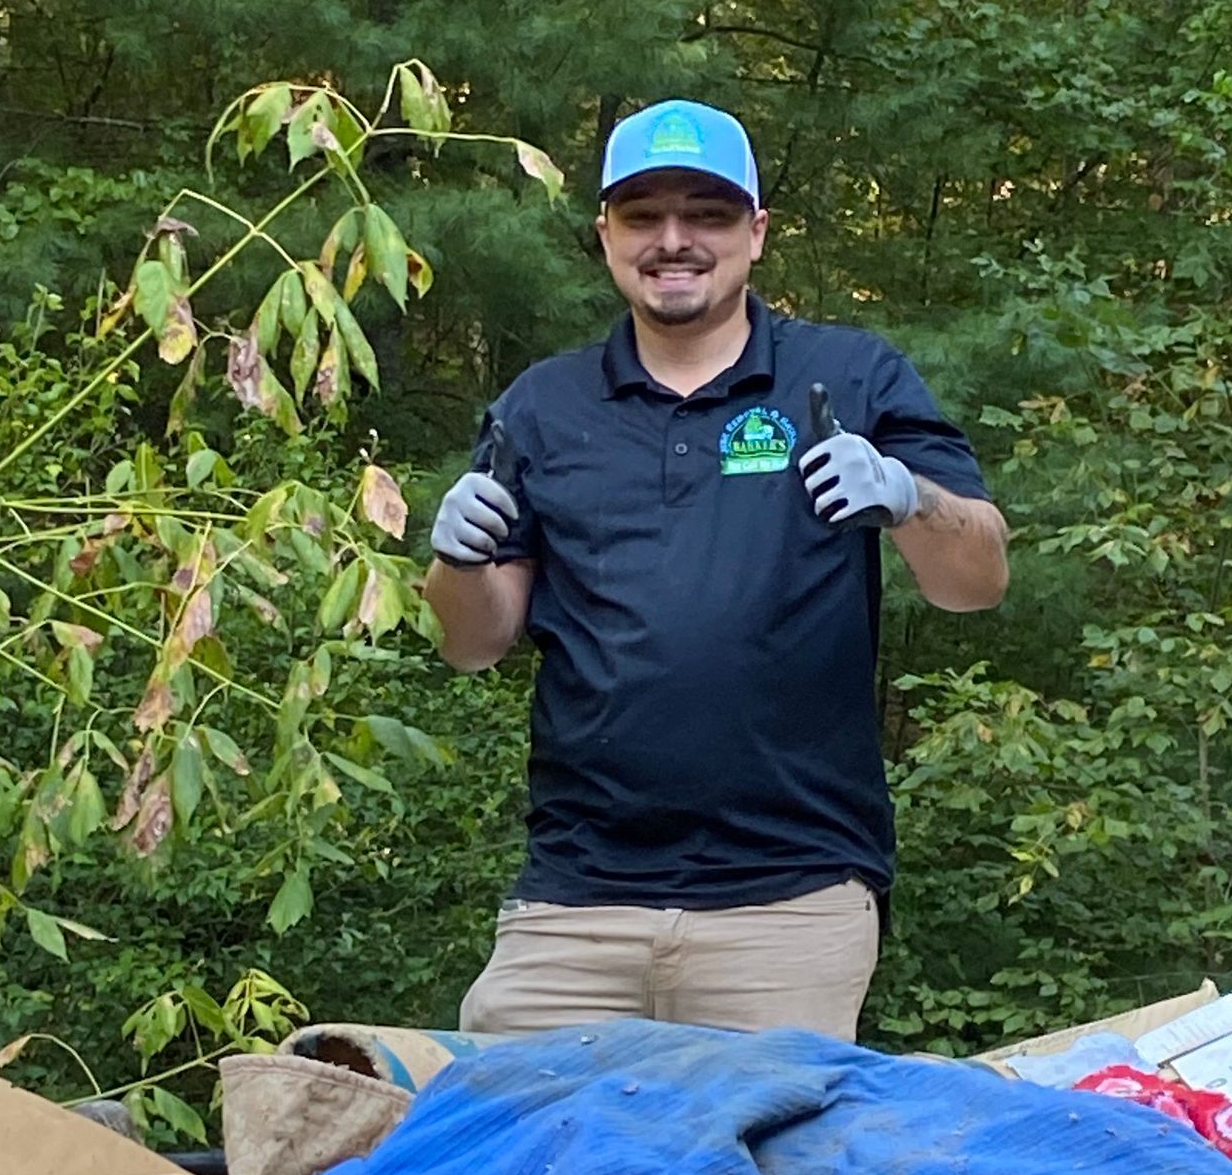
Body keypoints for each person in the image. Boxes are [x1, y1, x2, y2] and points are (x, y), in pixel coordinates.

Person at [426, 98, 1008, 1041]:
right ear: (605, 233)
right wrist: (455, 561)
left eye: (706, 212)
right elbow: (473, 642)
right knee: (521, 1167)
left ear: (757, 232)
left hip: (791, 905)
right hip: (574, 905)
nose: (674, 240)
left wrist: (906, 495)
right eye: (644, 214)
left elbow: (975, 579)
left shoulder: (850, 378)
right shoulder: (540, 406)